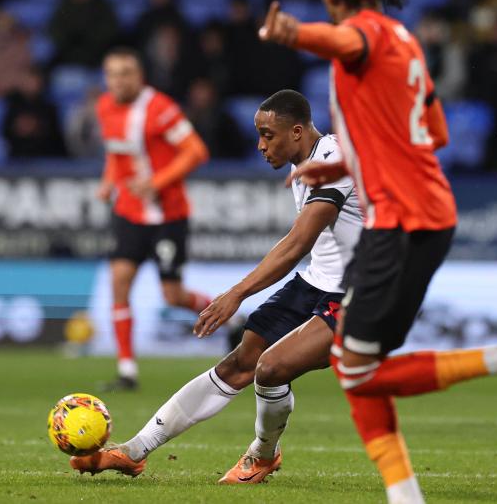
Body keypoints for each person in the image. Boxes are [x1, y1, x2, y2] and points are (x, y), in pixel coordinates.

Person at [259, 0, 497, 502]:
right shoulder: (405, 42)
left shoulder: (367, 34)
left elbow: (346, 39)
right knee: (358, 372)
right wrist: (340, 170)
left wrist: (295, 34)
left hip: (403, 222)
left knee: (355, 373)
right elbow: (436, 133)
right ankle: (407, 496)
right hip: (422, 214)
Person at [70, 89, 359, 483]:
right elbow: (298, 243)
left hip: (363, 292)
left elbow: (296, 244)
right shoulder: (304, 163)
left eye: (267, 135)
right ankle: (133, 451)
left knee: (270, 368)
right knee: (238, 363)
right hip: (317, 281)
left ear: (296, 131)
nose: (260, 145)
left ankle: (261, 455)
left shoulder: (334, 160)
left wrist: (236, 293)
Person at [95, 47, 212, 391]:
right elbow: (116, 153)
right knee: (119, 281)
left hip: (167, 214)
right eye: (113, 74)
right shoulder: (105, 107)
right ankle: (127, 370)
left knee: (173, 296)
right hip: (130, 212)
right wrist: (107, 182)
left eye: (126, 73)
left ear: (139, 75)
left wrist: (156, 183)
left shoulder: (160, 109)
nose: (119, 80)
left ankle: (231, 318)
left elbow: (197, 151)